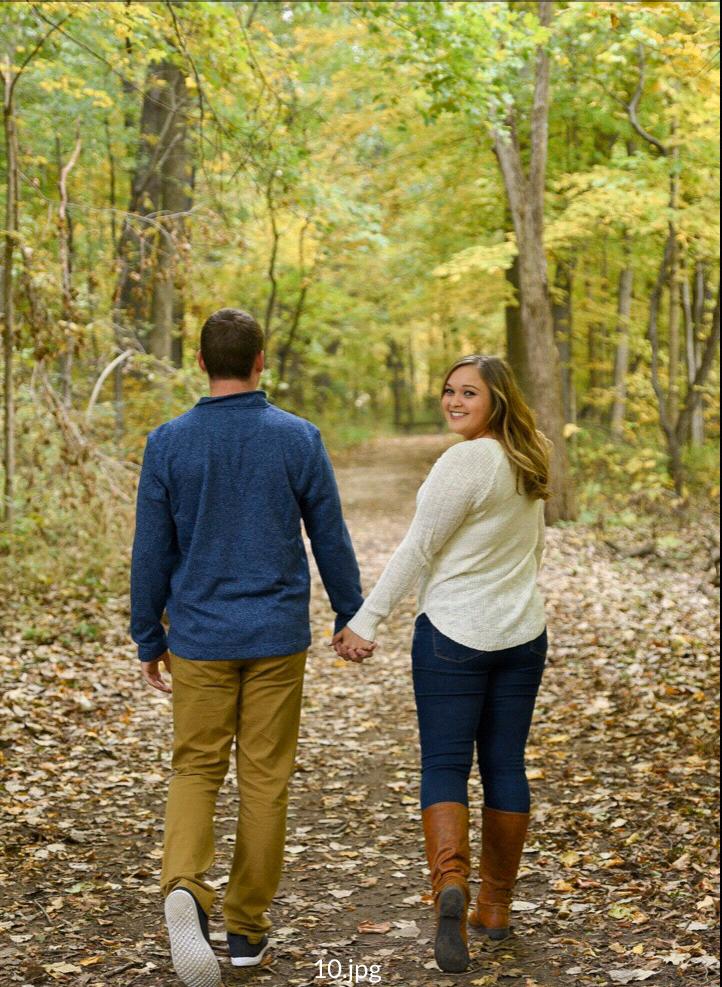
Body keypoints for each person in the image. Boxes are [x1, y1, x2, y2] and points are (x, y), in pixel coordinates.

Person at [131, 308, 368, 987]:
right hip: (274, 637)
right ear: (261, 359)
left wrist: (149, 632)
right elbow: (330, 536)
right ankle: (244, 930)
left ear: (201, 363)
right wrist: (349, 613)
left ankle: (184, 886)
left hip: (200, 637)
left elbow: (151, 550)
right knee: (265, 776)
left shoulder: (169, 442)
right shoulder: (297, 437)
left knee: (196, 768)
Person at [333, 355, 549, 974]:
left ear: (497, 401)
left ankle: (449, 887)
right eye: (449, 391)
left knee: (446, 764)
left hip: (454, 635)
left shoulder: (466, 460)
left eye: (469, 393)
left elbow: (417, 547)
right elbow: (532, 549)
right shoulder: (528, 457)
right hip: (523, 634)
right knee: (505, 763)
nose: (453, 401)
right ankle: (495, 908)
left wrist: (364, 621)